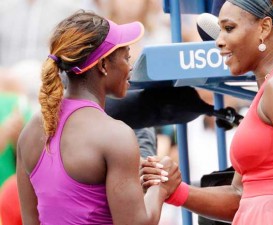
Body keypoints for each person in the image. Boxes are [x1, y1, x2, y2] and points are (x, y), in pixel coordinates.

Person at [140, 0, 273, 224]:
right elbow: (241, 196)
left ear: (264, 28)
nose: (219, 42)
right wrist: (175, 191)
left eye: (229, 28)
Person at [16, 10, 181, 225]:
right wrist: (161, 186)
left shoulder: (30, 131)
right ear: (103, 65)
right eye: (126, 57)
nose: (130, 67)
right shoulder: (116, 135)